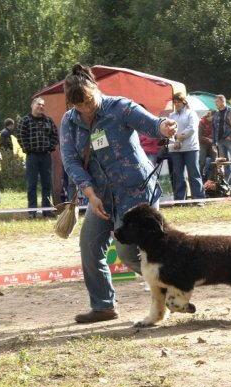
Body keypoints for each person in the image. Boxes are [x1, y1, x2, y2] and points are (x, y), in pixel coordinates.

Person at [59, 64, 178, 323]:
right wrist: (90, 194)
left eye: (88, 101)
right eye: (78, 105)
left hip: (135, 192)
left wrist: (165, 128)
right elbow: (71, 161)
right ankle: (103, 306)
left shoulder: (120, 107)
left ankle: (172, 284)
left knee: (127, 252)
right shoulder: (68, 122)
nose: (86, 108)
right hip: (100, 195)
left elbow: (152, 125)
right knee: (90, 247)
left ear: (95, 89)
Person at [17, 97, 59, 218]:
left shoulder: (48, 120)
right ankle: (32, 212)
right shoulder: (25, 120)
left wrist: (51, 147)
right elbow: (21, 136)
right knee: (32, 184)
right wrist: (28, 150)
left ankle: (46, 210)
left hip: (46, 155)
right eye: (38, 104)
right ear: (32, 106)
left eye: (43, 105)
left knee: (47, 184)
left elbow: (54, 135)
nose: (41, 107)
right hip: (32, 156)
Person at [168, 92, 205, 204]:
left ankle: (199, 199)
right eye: (174, 102)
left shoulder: (191, 113)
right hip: (176, 149)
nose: (176, 104)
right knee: (178, 175)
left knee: (194, 174)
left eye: (178, 102)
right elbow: (168, 130)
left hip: (191, 148)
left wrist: (180, 138)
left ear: (183, 102)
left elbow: (192, 128)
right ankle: (180, 200)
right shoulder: (171, 116)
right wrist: (175, 139)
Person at [212, 94, 231, 181]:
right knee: (224, 163)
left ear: (223, 101)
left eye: (217, 101)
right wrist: (214, 143)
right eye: (215, 102)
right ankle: (227, 181)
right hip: (220, 141)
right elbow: (213, 128)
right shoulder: (216, 113)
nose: (216, 104)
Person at [198, 110, 216, 180]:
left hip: (212, 144)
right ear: (210, 115)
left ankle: (210, 179)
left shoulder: (215, 122)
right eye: (214, 117)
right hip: (203, 144)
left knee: (214, 162)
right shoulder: (202, 122)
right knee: (202, 162)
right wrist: (208, 139)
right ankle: (200, 178)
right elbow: (199, 136)